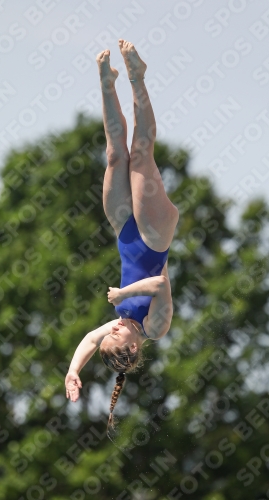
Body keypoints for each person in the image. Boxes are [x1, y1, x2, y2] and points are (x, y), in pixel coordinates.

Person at [65, 39, 179, 431]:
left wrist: (72, 370)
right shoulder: (153, 328)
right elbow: (161, 284)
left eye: (108, 334)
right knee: (141, 152)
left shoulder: (118, 328)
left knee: (116, 154)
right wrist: (126, 295)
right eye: (115, 336)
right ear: (132, 347)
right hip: (152, 236)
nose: (109, 329)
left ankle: (107, 81)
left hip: (123, 231)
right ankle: (137, 77)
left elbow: (88, 340)